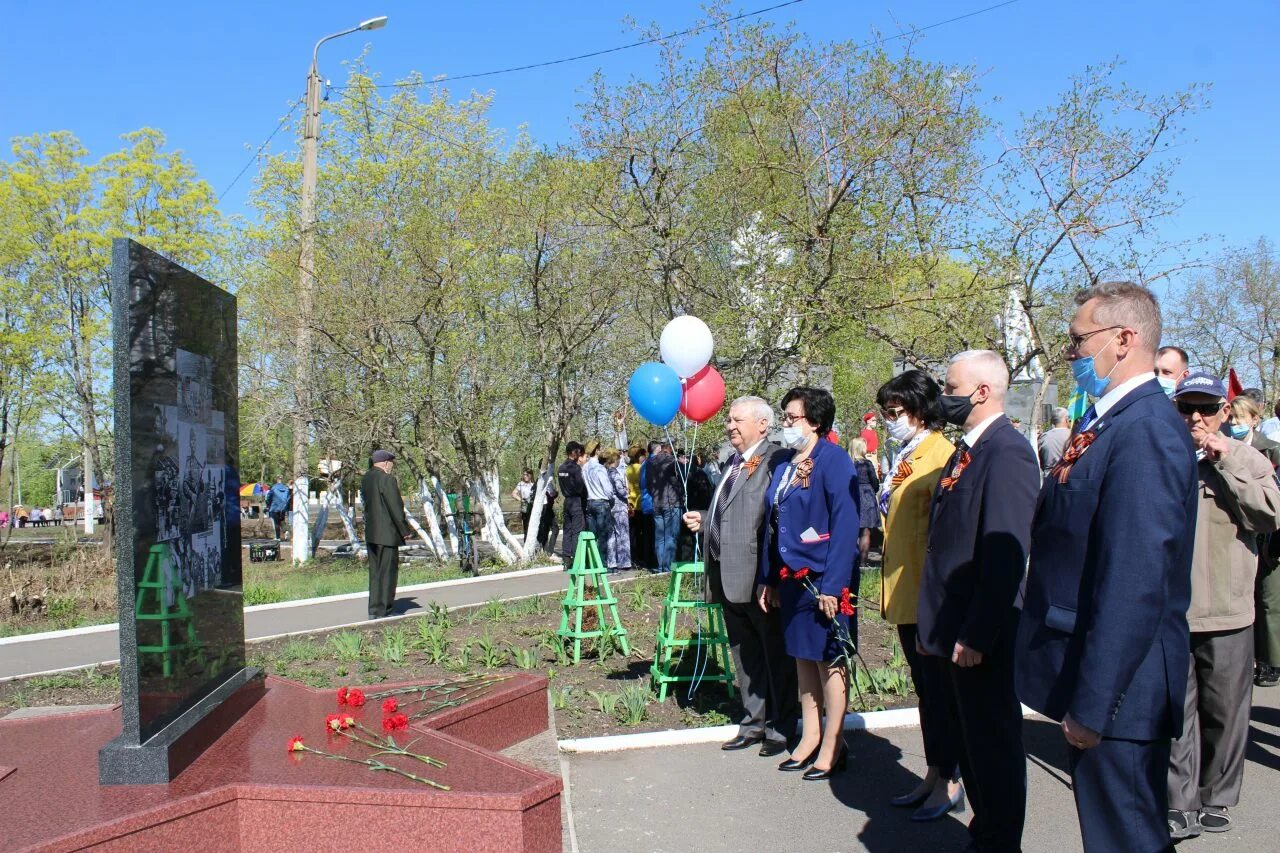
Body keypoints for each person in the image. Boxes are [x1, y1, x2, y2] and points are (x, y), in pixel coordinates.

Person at [1016, 281, 1198, 851]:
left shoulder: (1145, 431)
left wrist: (1094, 704)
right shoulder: (1110, 423)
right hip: (1102, 674)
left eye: (1077, 341)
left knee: (1126, 838)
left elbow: (1135, 582)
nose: (1069, 355)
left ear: (1124, 339)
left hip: (1121, 688)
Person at [917, 350, 1040, 851]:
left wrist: (976, 631)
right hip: (952, 628)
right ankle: (984, 832)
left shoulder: (1007, 452)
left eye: (951, 387)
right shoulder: (964, 450)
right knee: (973, 744)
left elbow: (1005, 553)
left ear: (983, 392)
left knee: (993, 747)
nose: (944, 396)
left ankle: (997, 840)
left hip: (978, 634)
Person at [1166, 372, 1280, 838]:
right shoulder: (1165, 459)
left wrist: (1227, 460)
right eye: (1186, 408)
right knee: (1176, 714)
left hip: (1229, 609)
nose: (1196, 418)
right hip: (1173, 609)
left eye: (1207, 408)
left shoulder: (1249, 457)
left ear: (1224, 411)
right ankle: (1179, 800)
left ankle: (1217, 796)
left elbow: (1270, 513)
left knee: (1226, 712)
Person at [684, 396, 798, 755]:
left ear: (762, 425)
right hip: (726, 575)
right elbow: (733, 512)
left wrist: (774, 578)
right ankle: (753, 722)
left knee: (774, 654)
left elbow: (774, 520)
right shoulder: (733, 463)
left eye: (737, 420)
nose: (730, 426)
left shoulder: (776, 460)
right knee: (744, 654)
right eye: (729, 421)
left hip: (758, 578)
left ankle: (781, 726)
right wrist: (706, 520)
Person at [875, 370, 963, 818]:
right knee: (925, 691)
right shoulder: (907, 454)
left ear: (920, 411)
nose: (889, 419)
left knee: (940, 692)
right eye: (886, 412)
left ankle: (950, 779)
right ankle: (933, 770)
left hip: (929, 595)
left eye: (896, 412)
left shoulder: (941, 454)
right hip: (906, 593)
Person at [758, 387, 858, 780]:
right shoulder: (784, 464)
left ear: (815, 421)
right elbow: (774, 524)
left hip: (823, 578)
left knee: (829, 660)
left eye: (792, 418)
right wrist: (769, 578)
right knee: (803, 657)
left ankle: (834, 743)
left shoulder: (834, 461)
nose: (786, 424)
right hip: (790, 579)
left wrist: (833, 586)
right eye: (784, 417)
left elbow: (846, 524)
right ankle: (810, 735)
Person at [360, 450, 412, 620]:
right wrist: (404, 530)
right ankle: (385, 610)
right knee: (388, 572)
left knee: (375, 573)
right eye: (391, 464)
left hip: (371, 534)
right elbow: (395, 507)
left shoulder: (366, 479)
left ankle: (374, 609)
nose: (391, 467)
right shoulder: (387, 479)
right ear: (386, 463)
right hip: (387, 534)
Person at [647, 440, 683, 574]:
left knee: (660, 537)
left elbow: (648, 483)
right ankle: (668, 568)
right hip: (671, 502)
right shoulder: (673, 462)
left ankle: (661, 566)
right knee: (670, 536)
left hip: (657, 502)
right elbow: (679, 481)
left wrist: (654, 497)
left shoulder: (651, 462)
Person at [847, 437, 880, 566]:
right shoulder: (866, 464)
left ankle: (850, 562)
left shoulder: (847, 464)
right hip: (866, 497)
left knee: (851, 531)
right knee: (865, 532)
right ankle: (863, 563)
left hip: (851, 497)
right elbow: (875, 482)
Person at [582, 440, 616, 557]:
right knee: (603, 536)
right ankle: (603, 564)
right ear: (596, 450)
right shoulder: (599, 468)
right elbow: (607, 488)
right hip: (601, 502)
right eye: (599, 449)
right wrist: (611, 498)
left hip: (590, 501)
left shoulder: (585, 467)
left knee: (592, 536)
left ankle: (593, 562)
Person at [601, 448, 632, 571]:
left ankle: (612, 561)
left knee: (612, 535)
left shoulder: (606, 472)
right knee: (622, 533)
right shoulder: (614, 473)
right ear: (615, 460)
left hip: (610, 506)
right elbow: (620, 489)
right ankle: (624, 561)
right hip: (619, 506)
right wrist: (627, 493)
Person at [1228, 396, 1280, 467]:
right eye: (1230, 417)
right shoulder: (1222, 446)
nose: (1233, 421)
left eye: (1240, 416)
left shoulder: (1272, 449)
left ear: (1254, 420)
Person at [557, 442, 588, 565]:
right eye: (578, 451)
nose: (580, 453)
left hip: (567, 501)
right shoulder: (575, 468)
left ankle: (566, 559)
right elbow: (581, 487)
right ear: (574, 452)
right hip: (576, 501)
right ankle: (577, 559)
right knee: (577, 531)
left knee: (567, 530)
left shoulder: (561, 468)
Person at [1038, 406, 1072, 473]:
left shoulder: (1043, 437)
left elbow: (1040, 460)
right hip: (1067, 475)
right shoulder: (1072, 435)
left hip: (1048, 475)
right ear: (1066, 419)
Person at [511, 469, 536, 537]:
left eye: (527, 475)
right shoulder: (521, 484)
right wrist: (521, 499)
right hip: (525, 506)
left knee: (534, 525)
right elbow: (513, 493)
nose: (525, 476)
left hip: (533, 506)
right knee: (526, 526)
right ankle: (526, 543)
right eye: (524, 475)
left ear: (531, 475)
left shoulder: (534, 484)